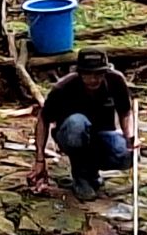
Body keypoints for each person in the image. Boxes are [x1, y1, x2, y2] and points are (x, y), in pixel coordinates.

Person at [26, 47, 135, 201]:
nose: (93, 79)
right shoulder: (64, 87)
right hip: (70, 134)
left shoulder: (115, 81)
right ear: (80, 73)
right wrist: (39, 159)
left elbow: (125, 112)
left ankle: (91, 172)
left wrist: (130, 136)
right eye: (88, 74)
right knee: (77, 123)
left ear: (105, 72)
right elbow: (43, 119)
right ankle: (80, 176)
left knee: (127, 155)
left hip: (101, 134)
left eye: (98, 74)